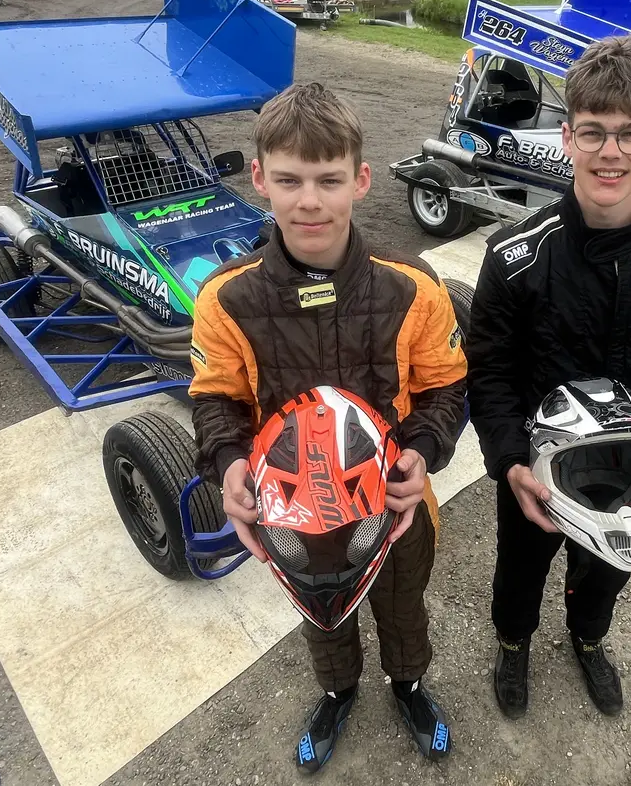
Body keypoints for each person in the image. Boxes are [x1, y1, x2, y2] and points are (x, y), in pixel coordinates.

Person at [189, 83, 466, 774]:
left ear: (361, 181)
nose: (308, 200)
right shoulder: (227, 297)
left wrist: (423, 455)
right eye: (288, 180)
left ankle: (408, 683)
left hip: (396, 508)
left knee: (404, 605)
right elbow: (215, 397)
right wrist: (227, 466)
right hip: (296, 517)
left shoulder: (413, 286)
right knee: (321, 610)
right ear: (260, 179)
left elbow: (447, 384)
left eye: (328, 180)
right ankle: (338, 692)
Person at [467, 34, 631, 720]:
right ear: (568, 137)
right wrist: (510, 462)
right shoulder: (515, 257)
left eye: (630, 134)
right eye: (595, 133)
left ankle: (587, 639)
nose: (611, 152)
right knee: (521, 566)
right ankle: (513, 642)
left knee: (606, 571)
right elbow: (489, 369)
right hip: (538, 465)